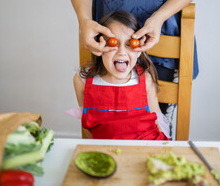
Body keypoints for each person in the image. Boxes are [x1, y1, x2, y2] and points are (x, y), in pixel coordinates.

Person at [67, 0, 206, 137]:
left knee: (158, 122)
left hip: (164, 41)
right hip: (107, 43)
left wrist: (159, 17)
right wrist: (85, 21)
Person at [69, 11, 170, 140]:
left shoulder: (146, 80)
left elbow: (158, 121)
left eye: (130, 44)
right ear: (99, 46)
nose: (122, 52)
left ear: (139, 50)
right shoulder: (82, 81)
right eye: (113, 43)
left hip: (146, 146)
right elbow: (89, 129)